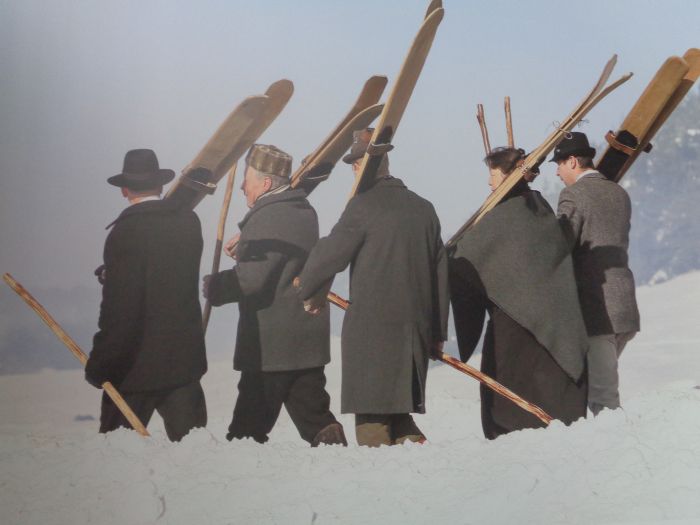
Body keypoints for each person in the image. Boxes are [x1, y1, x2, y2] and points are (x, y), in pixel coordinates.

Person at [295, 129, 449, 447]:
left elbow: (330, 255)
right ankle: (426, 468)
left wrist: (307, 285)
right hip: (414, 335)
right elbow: (440, 275)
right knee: (400, 416)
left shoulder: (362, 207)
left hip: (372, 337)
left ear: (360, 167)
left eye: (354, 165)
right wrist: (436, 333)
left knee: (373, 425)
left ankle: (386, 476)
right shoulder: (425, 208)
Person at [203, 144, 346, 447]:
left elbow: (253, 280)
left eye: (247, 179)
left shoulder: (268, 216)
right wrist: (246, 249)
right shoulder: (302, 210)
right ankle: (342, 465)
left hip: (271, 346)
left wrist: (216, 286)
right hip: (304, 339)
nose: (242, 186)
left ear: (266, 182)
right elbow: (280, 265)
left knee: (247, 431)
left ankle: (239, 473)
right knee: (316, 418)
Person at [449, 147, 589, 439]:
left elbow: (466, 261)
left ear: (506, 175)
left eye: (493, 174)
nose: (489, 182)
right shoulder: (538, 208)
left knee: (513, 393)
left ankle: (513, 434)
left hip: (516, 323)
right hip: (554, 318)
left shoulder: (502, 217)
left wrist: (444, 261)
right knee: (547, 386)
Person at [85, 149, 208, 441]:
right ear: (161, 185)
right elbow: (163, 274)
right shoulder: (189, 223)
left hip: (133, 373)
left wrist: (100, 365)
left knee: (117, 456)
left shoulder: (124, 234)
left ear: (124, 190)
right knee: (198, 457)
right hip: (183, 366)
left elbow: (120, 313)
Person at [553, 132, 640, 415]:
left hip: (595, 308)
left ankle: (615, 444)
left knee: (603, 399)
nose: (557, 172)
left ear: (572, 161)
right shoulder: (619, 193)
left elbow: (560, 245)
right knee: (598, 389)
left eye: (559, 164)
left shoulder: (573, 194)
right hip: (623, 306)